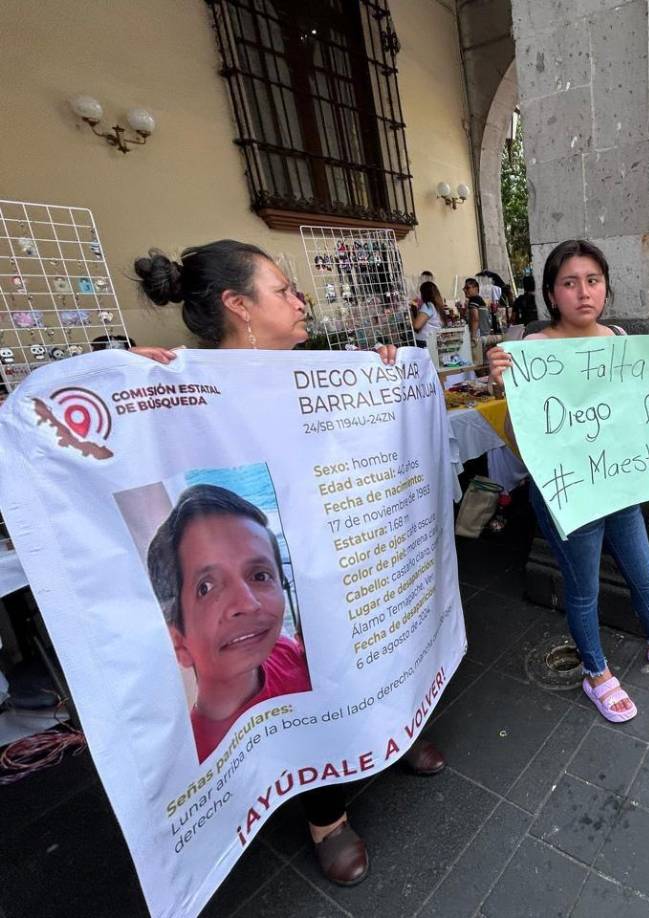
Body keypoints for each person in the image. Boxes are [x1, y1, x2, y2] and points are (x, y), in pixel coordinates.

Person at [131, 240, 446, 886]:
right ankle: (325, 817)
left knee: (375, 652)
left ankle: (397, 729)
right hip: (287, 580)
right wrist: (118, 378)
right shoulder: (176, 385)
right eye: (283, 290)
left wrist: (384, 377)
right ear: (238, 305)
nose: (301, 301)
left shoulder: (325, 370)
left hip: (354, 561)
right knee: (308, 686)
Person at [486, 240, 649, 724]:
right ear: (551, 293)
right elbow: (518, 440)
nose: (583, 292)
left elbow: (641, 412)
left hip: (620, 485)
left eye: (593, 280)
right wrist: (509, 392)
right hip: (568, 493)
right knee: (583, 586)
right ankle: (595, 671)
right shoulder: (531, 352)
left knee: (645, 570)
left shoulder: (620, 337)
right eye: (569, 283)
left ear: (605, 287)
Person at [146, 484, 310, 763]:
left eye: (260, 575)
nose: (248, 603)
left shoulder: (287, 652)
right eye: (206, 587)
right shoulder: (195, 757)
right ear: (179, 642)